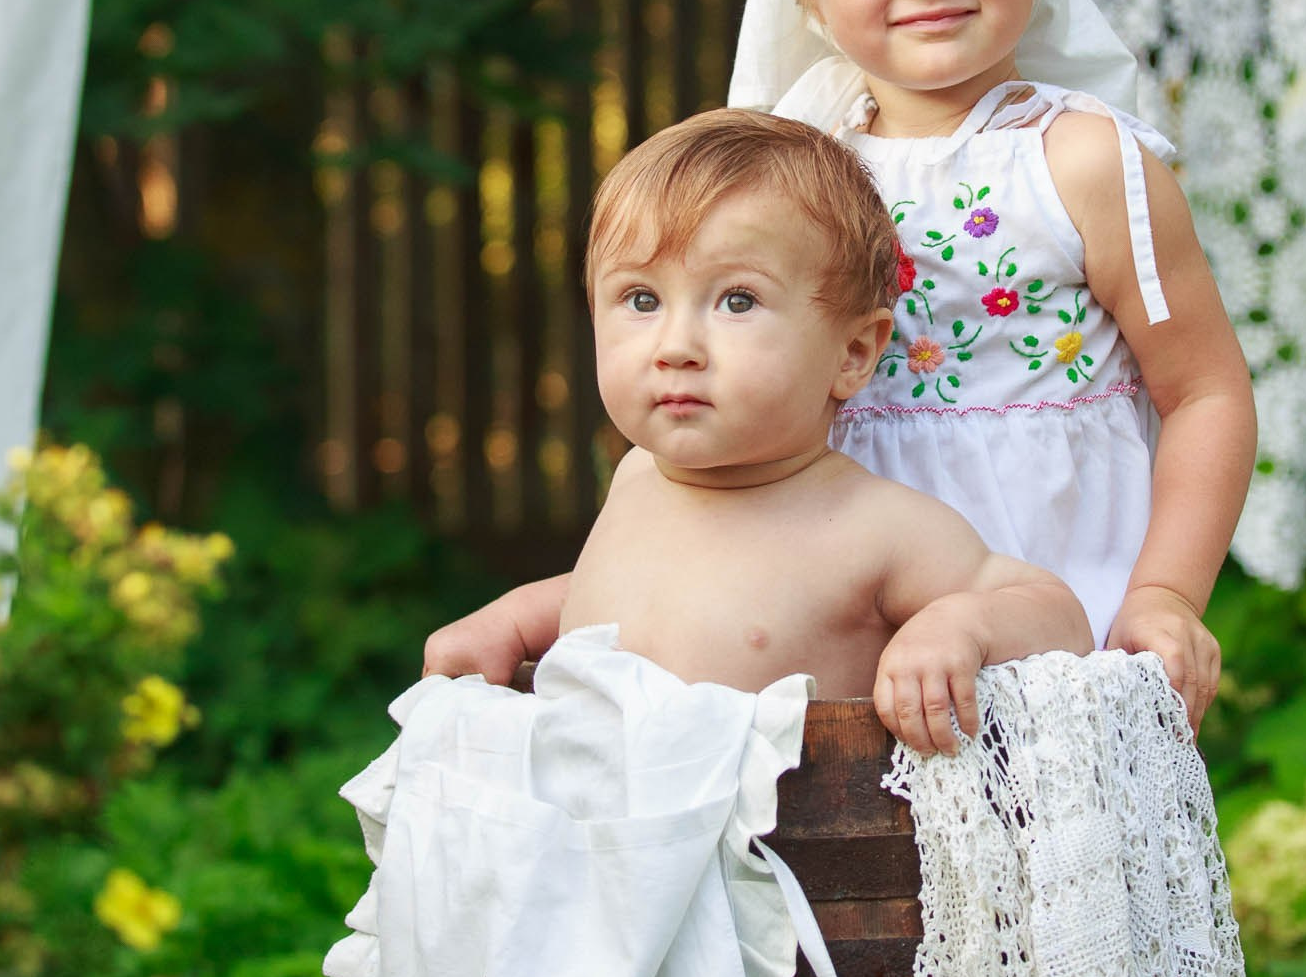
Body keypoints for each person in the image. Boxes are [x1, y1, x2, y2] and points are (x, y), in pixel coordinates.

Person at [426, 0, 1253, 728]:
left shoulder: (1080, 160)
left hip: (1049, 592)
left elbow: (1203, 388)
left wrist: (1165, 591)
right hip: (825, 599)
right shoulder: (794, 169)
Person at [462, 105, 1089, 748]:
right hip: (596, 826)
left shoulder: (871, 526)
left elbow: (1057, 612)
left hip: (787, 839)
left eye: (739, 301)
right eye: (642, 300)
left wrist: (960, 627)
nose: (676, 346)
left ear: (852, 354)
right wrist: (511, 621)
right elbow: (631, 594)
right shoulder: (638, 477)